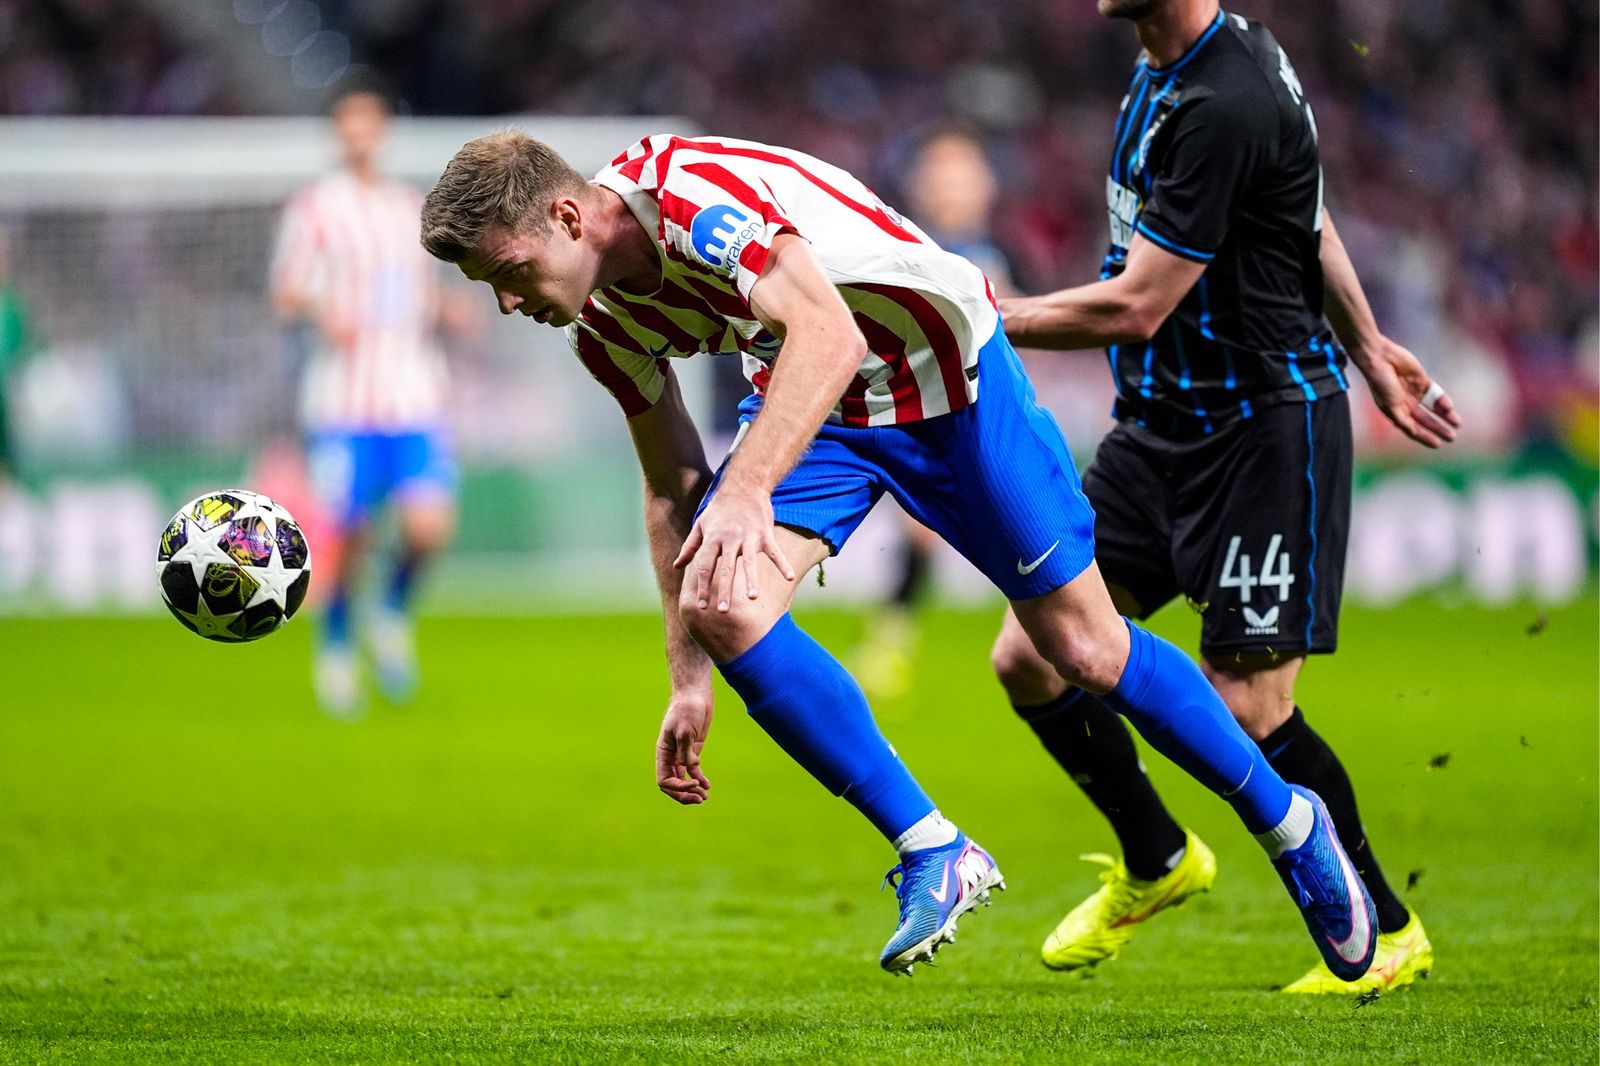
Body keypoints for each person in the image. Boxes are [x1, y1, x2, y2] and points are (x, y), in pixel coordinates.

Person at [418, 129, 1376, 978]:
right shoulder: (603, 326)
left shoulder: (690, 197)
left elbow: (829, 330)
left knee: (1083, 651)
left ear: (567, 215)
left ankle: (1292, 826)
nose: (507, 304)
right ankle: (933, 848)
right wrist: (688, 678)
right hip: (826, 409)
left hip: (948, 378)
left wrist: (746, 486)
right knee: (722, 599)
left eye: (508, 273)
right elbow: (672, 486)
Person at [993, 0, 1460, 994]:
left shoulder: (1229, 92)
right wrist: (1372, 347)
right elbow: (1308, 216)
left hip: (1261, 429)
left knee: (1249, 706)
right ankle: (1158, 858)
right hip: (1157, 426)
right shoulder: (1165, 62)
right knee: (1030, 657)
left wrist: (993, 324)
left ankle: (1387, 928)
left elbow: (1138, 302)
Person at [270, 86, 459, 719]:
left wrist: (449, 312)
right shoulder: (315, 210)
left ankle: (392, 612)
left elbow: (422, 294)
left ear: (382, 130)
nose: (359, 135)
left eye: (368, 123)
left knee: (429, 527)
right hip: (341, 404)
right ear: (337, 132)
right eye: (348, 124)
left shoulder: (410, 207)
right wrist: (321, 311)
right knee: (346, 536)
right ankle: (337, 646)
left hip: (412, 397)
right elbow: (285, 294)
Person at [852, 129, 1017, 703]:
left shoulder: (992, 253)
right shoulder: (908, 247)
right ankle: (888, 640)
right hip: (915, 414)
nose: (954, 189)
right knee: (921, 536)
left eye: (963, 176)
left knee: (1010, 533)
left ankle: (893, 639)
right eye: (943, 176)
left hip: (983, 415)